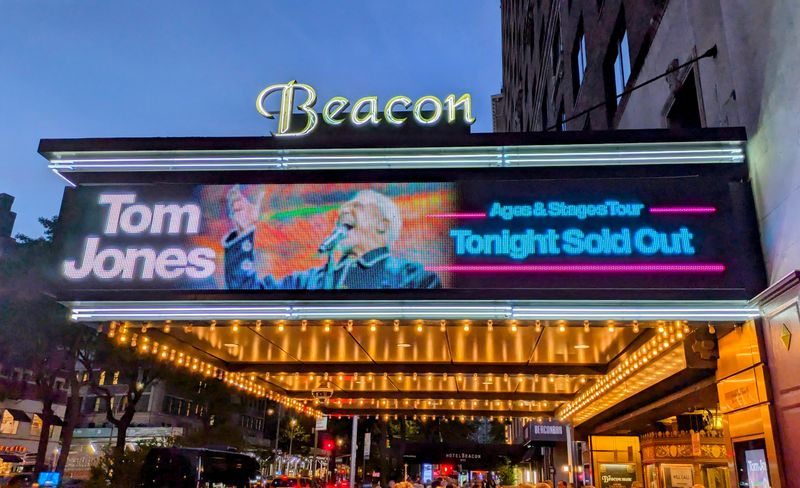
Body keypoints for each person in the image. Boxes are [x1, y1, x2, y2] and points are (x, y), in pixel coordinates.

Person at [223, 186, 442, 290]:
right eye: (344, 208)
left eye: (357, 207)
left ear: (382, 225)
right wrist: (245, 233)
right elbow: (246, 292)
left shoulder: (412, 278)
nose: (344, 211)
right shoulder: (309, 281)